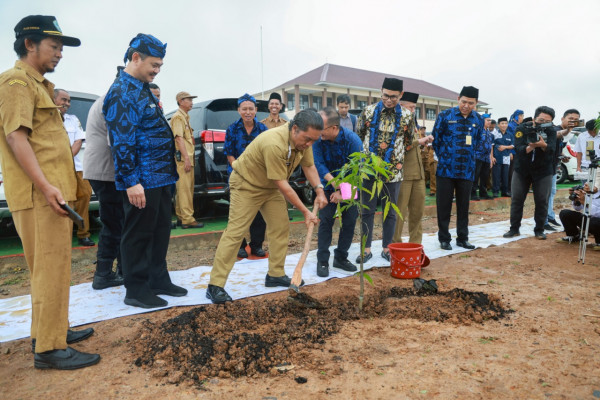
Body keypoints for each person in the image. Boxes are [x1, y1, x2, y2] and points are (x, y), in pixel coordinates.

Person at [0, 15, 99, 369]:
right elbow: (16, 137)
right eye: (54, 46)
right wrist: (45, 187)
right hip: (39, 196)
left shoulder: (39, 85)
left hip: (49, 193)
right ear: (30, 44)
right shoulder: (16, 83)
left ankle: (51, 330)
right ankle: (49, 349)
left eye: (60, 48)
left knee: (50, 268)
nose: (59, 53)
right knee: (49, 268)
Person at [206, 110, 328, 304]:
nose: (309, 144)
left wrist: (319, 190)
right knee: (236, 232)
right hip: (247, 185)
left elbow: (309, 166)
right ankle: (215, 285)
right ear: (294, 128)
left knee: (280, 226)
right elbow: (283, 184)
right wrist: (305, 211)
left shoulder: (305, 140)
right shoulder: (274, 142)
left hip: (270, 187)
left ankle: (275, 274)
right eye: (307, 139)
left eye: (313, 140)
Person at [104, 33, 186, 309]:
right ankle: (136, 289)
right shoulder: (122, 92)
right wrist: (131, 181)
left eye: (160, 66)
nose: (157, 70)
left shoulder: (140, 87)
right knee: (138, 233)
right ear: (135, 58)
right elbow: (122, 142)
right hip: (142, 179)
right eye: (154, 64)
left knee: (160, 230)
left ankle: (157, 278)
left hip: (161, 177)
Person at [356, 77, 415, 262]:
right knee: (367, 210)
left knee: (390, 211)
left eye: (394, 97)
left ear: (401, 95)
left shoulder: (407, 116)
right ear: (380, 91)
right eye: (386, 96)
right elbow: (360, 136)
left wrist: (393, 157)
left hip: (393, 171)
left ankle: (387, 248)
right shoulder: (368, 111)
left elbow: (408, 140)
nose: (389, 100)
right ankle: (365, 249)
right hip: (369, 170)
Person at [431, 86, 484, 250]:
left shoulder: (478, 119)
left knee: (464, 206)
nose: (466, 105)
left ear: (475, 103)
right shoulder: (445, 116)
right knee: (444, 205)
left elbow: (478, 141)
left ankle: (462, 238)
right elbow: (436, 140)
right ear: (458, 99)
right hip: (446, 170)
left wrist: (468, 156)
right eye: (464, 102)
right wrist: (446, 156)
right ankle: (444, 238)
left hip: (467, 170)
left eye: (471, 103)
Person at [313, 107, 362, 277]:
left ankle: (341, 257)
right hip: (326, 184)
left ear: (334, 127)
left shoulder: (353, 140)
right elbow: (318, 164)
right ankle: (323, 260)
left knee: (349, 220)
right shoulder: (318, 140)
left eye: (322, 128)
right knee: (326, 220)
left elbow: (356, 170)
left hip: (350, 183)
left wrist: (343, 191)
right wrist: (335, 185)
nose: (319, 132)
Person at [84, 92, 125, 290]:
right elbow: (117, 141)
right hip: (106, 171)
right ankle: (103, 274)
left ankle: (120, 270)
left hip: (102, 170)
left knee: (118, 222)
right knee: (114, 222)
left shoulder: (106, 98)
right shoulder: (115, 99)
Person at [224, 93, 268, 258]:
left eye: (251, 108)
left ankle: (256, 245)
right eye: (244, 109)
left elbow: (266, 152)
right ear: (239, 110)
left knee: (258, 213)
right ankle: (240, 245)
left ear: (256, 110)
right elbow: (229, 154)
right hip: (238, 175)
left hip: (258, 177)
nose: (248, 112)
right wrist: (239, 169)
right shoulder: (232, 129)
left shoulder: (263, 129)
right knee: (238, 213)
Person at [503, 106, 557, 240]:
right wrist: (531, 146)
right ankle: (514, 228)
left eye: (547, 121)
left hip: (543, 170)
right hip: (522, 169)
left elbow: (552, 150)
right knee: (516, 199)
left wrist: (543, 145)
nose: (543, 123)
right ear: (534, 118)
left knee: (542, 200)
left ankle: (539, 229)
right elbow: (518, 149)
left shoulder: (551, 130)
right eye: (541, 120)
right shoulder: (522, 128)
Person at [53, 88, 95, 246]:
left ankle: (83, 233)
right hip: (55, 168)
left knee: (85, 194)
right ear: (54, 100)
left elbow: (78, 140)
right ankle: (63, 236)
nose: (67, 104)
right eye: (64, 100)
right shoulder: (47, 119)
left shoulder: (73, 119)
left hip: (75, 166)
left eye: (68, 101)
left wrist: (67, 159)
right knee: (65, 200)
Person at [392, 92, 433, 244]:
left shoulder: (412, 123)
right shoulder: (395, 122)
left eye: (415, 107)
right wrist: (420, 141)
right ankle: (395, 244)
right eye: (411, 107)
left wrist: (421, 142)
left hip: (418, 174)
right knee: (399, 212)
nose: (413, 110)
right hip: (403, 174)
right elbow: (399, 144)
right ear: (401, 106)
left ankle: (415, 245)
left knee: (417, 213)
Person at [171, 91, 203, 229]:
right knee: (185, 190)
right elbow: (178, 138)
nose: (191, 102)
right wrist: (186, 158)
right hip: (184, 160)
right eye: (188, 99)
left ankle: (181, 216)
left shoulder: (184, 117)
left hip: (186, 158)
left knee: (184, 189)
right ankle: (188, 219)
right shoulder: (178, 117)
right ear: (180, 101)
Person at [546, 109, 580, 230]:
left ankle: (549, 216)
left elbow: (557, 149)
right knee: (546, 194)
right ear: (562, 119)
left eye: (576, 120)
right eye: (570, 119)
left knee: (552, 193)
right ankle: (544, 220)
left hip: (554, 166)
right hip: (545, 168)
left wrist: (561, 156)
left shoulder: (567, 135)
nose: (573, 121)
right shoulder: (555, 130)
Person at [472, 113, 494, 200]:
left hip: (486, 157)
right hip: (477, 156)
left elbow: (490, 145)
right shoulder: (477, 130)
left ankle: (483, 193)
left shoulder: (488, 132)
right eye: (487, 120)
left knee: (485, 176)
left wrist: (490, 157)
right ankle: (473, 193)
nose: (489, 122)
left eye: (490, 120)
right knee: (475, 175)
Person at [492, 117, 514, 198]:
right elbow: (491, 145)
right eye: (502, 123)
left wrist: (505, 147)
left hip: (506, 158)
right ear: (499, 125)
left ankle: (505, 191)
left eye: (505, 123)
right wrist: (492, 157)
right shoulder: (494, 134)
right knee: (496, 175)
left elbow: (513, 145)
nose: (504, 125)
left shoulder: (510, 135)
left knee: (505, 175)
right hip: (496, 157)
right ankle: (495, 191)